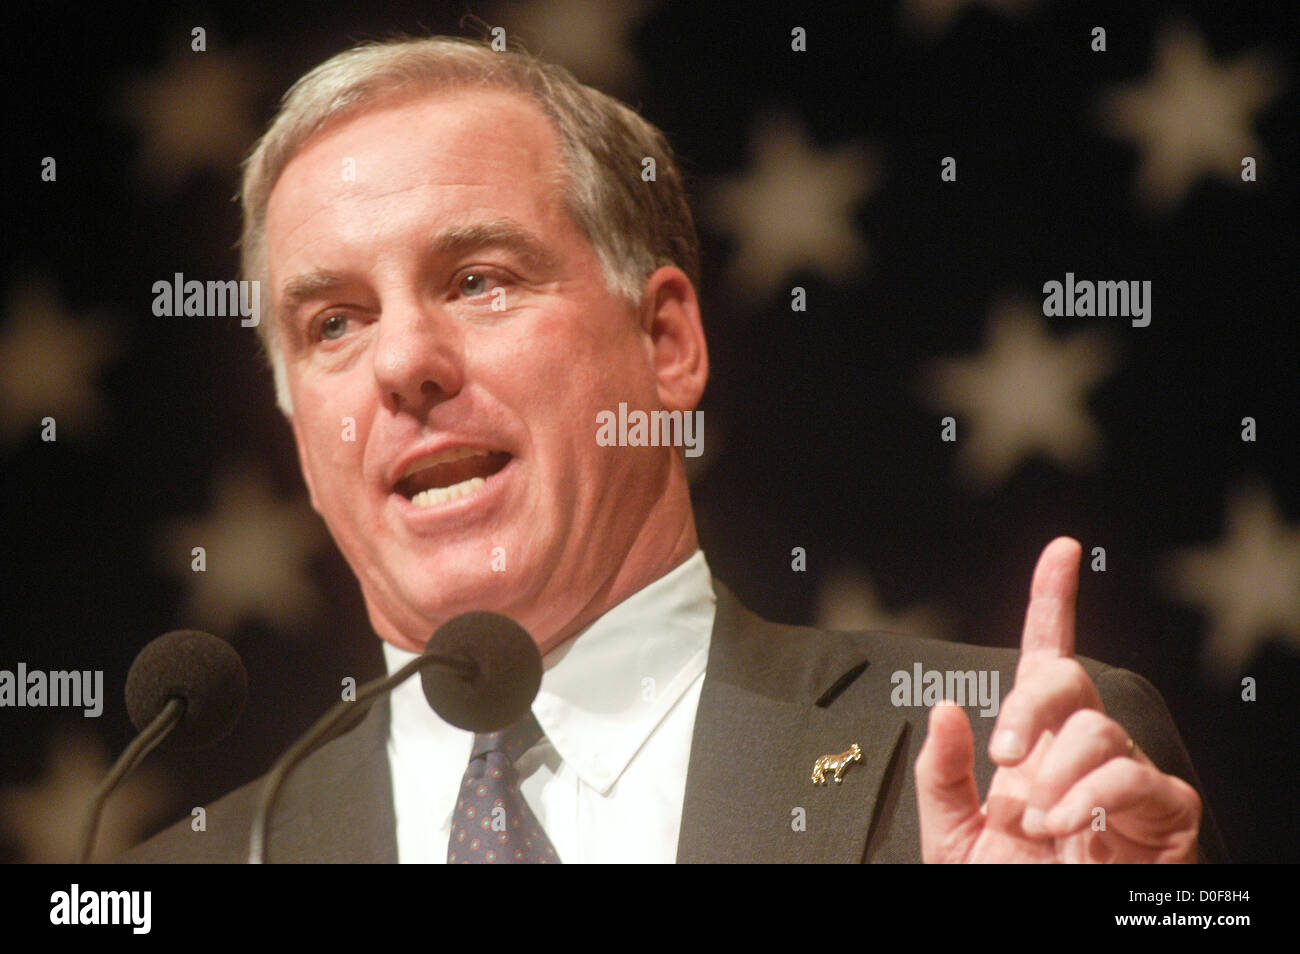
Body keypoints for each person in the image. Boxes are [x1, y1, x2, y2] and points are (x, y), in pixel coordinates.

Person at [122, 36, 1225, 864]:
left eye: (477, 281)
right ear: (300, 430)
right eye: (334, 323)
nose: (404, 360)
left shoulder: (1014, 766)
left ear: (666, 342)